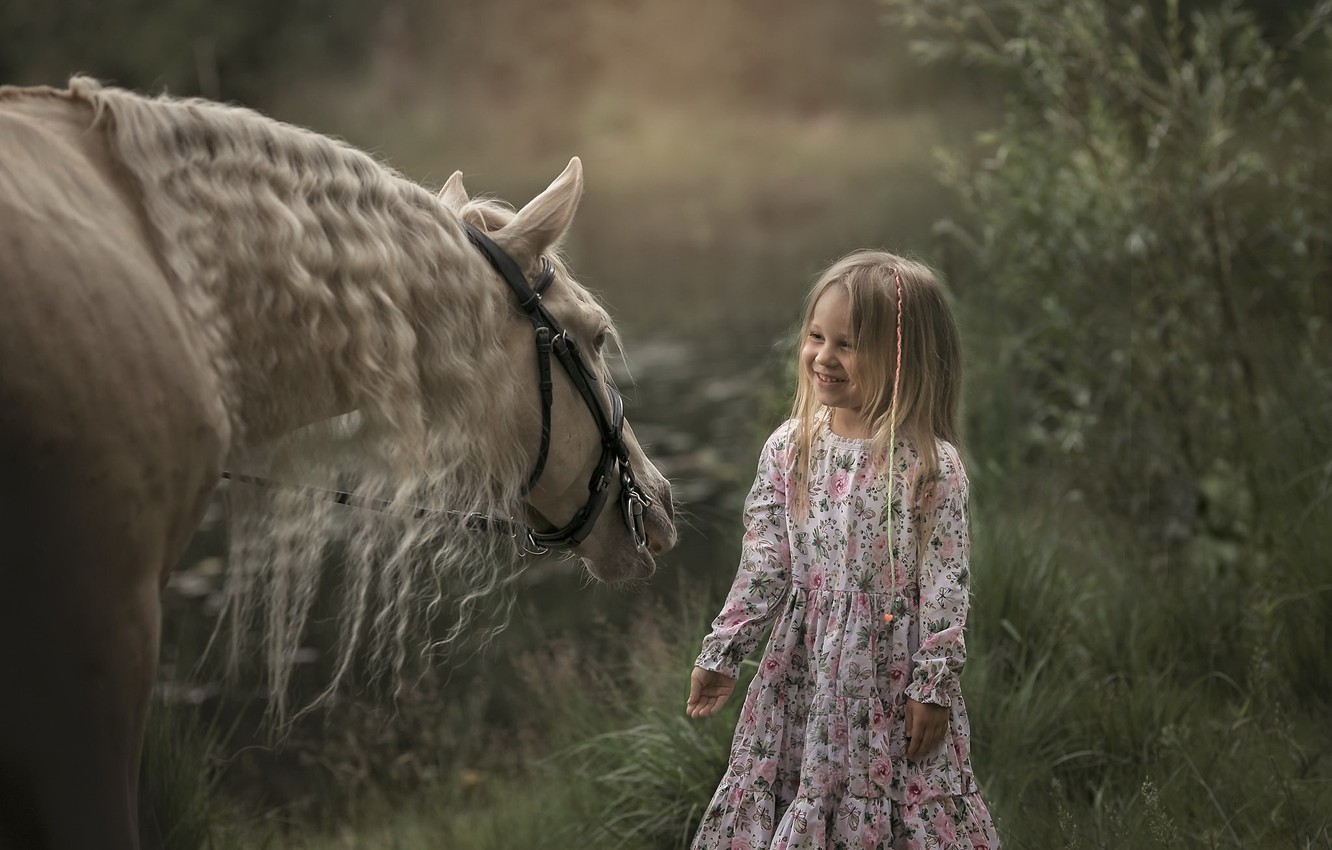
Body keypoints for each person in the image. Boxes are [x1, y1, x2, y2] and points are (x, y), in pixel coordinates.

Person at [685, 250, 1000, 849]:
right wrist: (725, 650)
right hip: (802, 671)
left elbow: (944, 585)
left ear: (902, 357)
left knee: (902, 805)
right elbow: (765, 564)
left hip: (889, 676)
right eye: (815, 337)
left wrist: (931, 686)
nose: (823, 357)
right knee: (805, 796)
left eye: (848, 344)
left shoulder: (928, 465)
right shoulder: (790, 449)